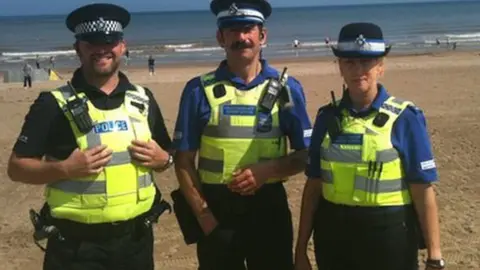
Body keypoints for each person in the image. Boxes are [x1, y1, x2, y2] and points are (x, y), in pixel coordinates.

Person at [7, 4, 174, 270]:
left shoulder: (143, 99)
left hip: (136, 242)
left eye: (109, 41)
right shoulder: (52, 103)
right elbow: (16, 169)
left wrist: (164, 159)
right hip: (75, 247)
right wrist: (64, 168)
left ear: (122, 46)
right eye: (92, 42)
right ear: (78, 48)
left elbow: (168, 154)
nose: (101, 49)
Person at [173, 0, 312, 269]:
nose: (241, 38)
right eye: (232, 30)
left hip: (269, 210)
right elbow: (183, 161)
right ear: (220, 37)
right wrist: (205, 218)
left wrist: (269, 169)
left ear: (262, 36)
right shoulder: (197, 90)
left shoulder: (286, 89)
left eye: (248, 29)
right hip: (216, 211)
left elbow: (307, 155)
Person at [294, 22, 445, 270]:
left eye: (367, 62)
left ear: (381, 67)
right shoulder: (326, 118)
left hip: (389, 236)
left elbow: (423, 190)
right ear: (340, 67)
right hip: (333, 236)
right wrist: (300, 250)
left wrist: (434, 256)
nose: (358, 70)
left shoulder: (405, 118)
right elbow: (313, 188)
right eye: (350, 63)